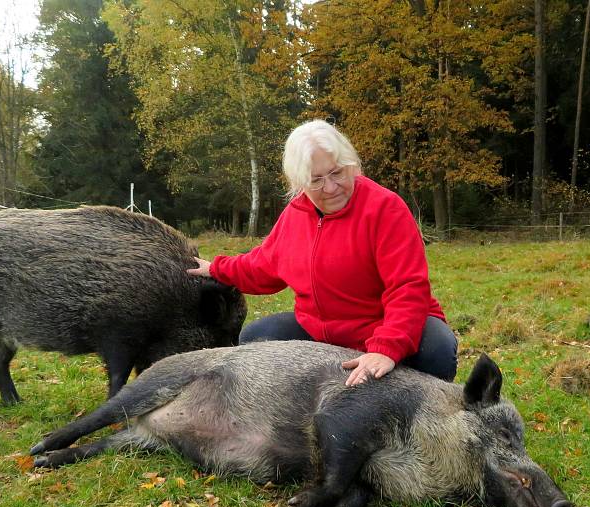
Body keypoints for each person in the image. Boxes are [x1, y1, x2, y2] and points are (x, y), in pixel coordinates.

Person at [188, 119, 457, 386]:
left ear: (352, 165)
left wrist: (385, 348)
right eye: (316, 180)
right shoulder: (295, 215)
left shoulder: (386, 209)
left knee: (437, 350)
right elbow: (263, 265)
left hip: (383, 324)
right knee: (256, 338)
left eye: (337, 173)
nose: (330, 187)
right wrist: (216, 268)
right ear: (299, 182)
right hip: (320, 330)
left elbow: (407, 288)